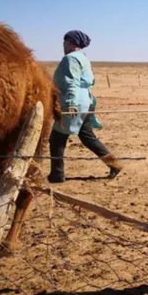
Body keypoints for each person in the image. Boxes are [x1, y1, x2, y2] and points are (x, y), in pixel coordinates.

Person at [47, 30, 123, 183]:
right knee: (87, 136)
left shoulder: (70, 59)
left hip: (75, 103)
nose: (63, 45)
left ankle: (57, 174)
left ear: (70, 43)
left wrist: (70, 103)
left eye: (64, 42)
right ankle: (114, 164)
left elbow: (71, 82)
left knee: (57, 139)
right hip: (85, 101)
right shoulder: (83, 57)